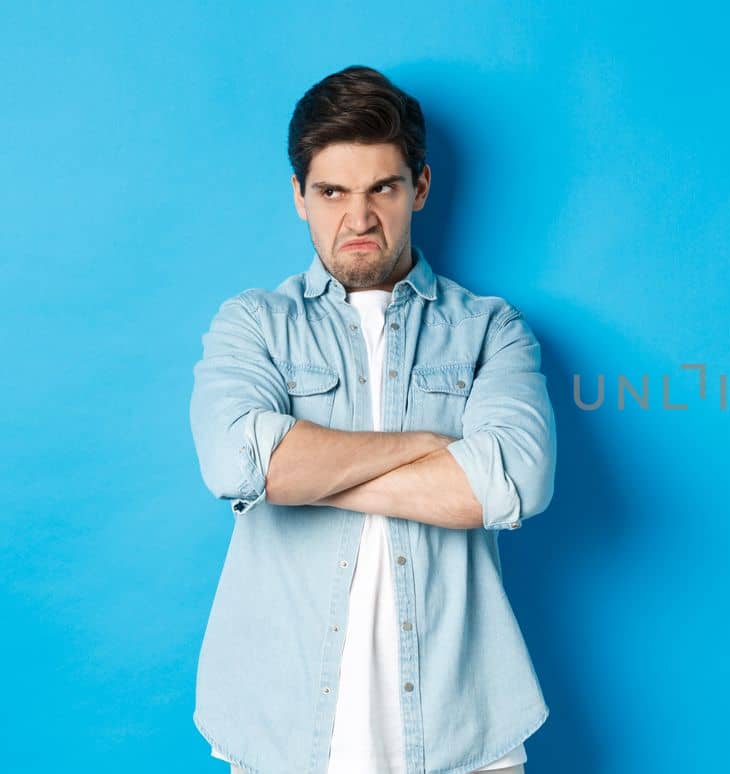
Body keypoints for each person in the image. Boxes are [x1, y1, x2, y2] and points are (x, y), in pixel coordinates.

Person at [188, 65, 557, 774]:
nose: (358, 220)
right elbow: (238, 464)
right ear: (300, 196)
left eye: (381, 188)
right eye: (332, 192)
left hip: (464, 734)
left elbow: (511, 483)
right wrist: (430, 446)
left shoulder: (490, 331)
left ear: (418, 187)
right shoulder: (254, 325)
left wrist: (303, 472)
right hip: (283, 731)